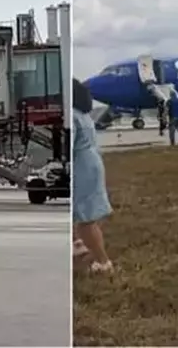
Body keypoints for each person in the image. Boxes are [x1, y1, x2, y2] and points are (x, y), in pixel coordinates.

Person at [71, 78, 113, 273]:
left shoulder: (71, 115)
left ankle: (103, 263)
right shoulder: (84, 114)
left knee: (86, 218)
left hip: (81, 165)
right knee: (79, 210)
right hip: (91, 161)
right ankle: (78, 244)